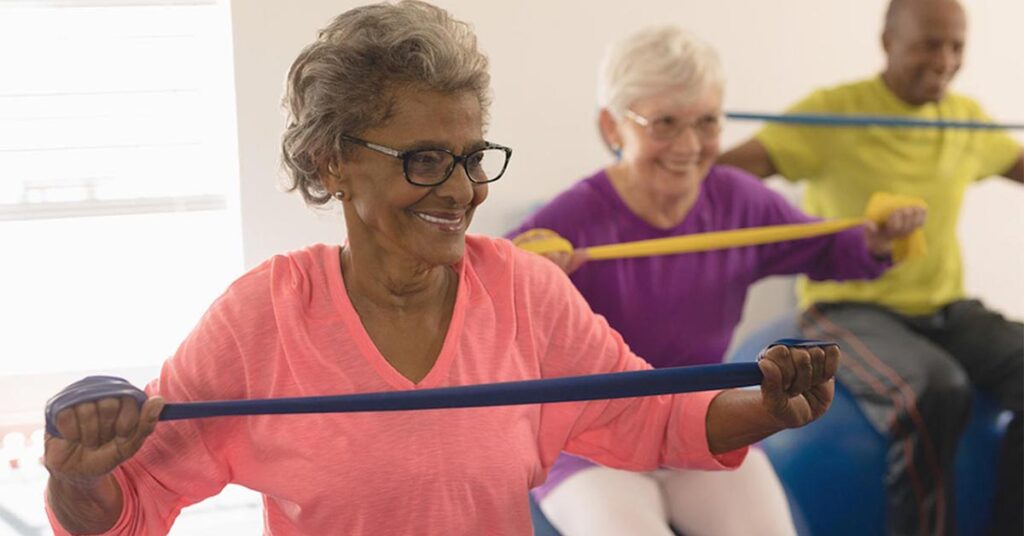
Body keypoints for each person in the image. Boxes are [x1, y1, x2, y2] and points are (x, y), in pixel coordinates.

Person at [42, 2, 841, 535]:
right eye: (424, 160)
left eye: (469, 157)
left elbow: (652, 419)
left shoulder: (525, 292)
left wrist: (771, 402)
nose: (462, 190)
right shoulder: (264, 318)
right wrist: (81, 479)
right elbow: (134, 502)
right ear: (331, 165)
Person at [507, 26, 925, 536]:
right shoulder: (571, 220)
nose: (688, 146)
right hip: (590, 445)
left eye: (706, 122)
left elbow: (831, 247)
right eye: (664, 123)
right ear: (612, 129)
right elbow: (481, 297)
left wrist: (881, 238)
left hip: (702, 424)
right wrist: (526, 280)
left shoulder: (738, 202)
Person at [718, 1, 1024, 534]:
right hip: (849, 304)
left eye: (957, 46)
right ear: (889, 41)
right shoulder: (835, 113)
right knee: (934, 388)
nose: (945, 60)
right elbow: (724, 179)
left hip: (945, 307)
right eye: (930, 43)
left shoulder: (965, 120)